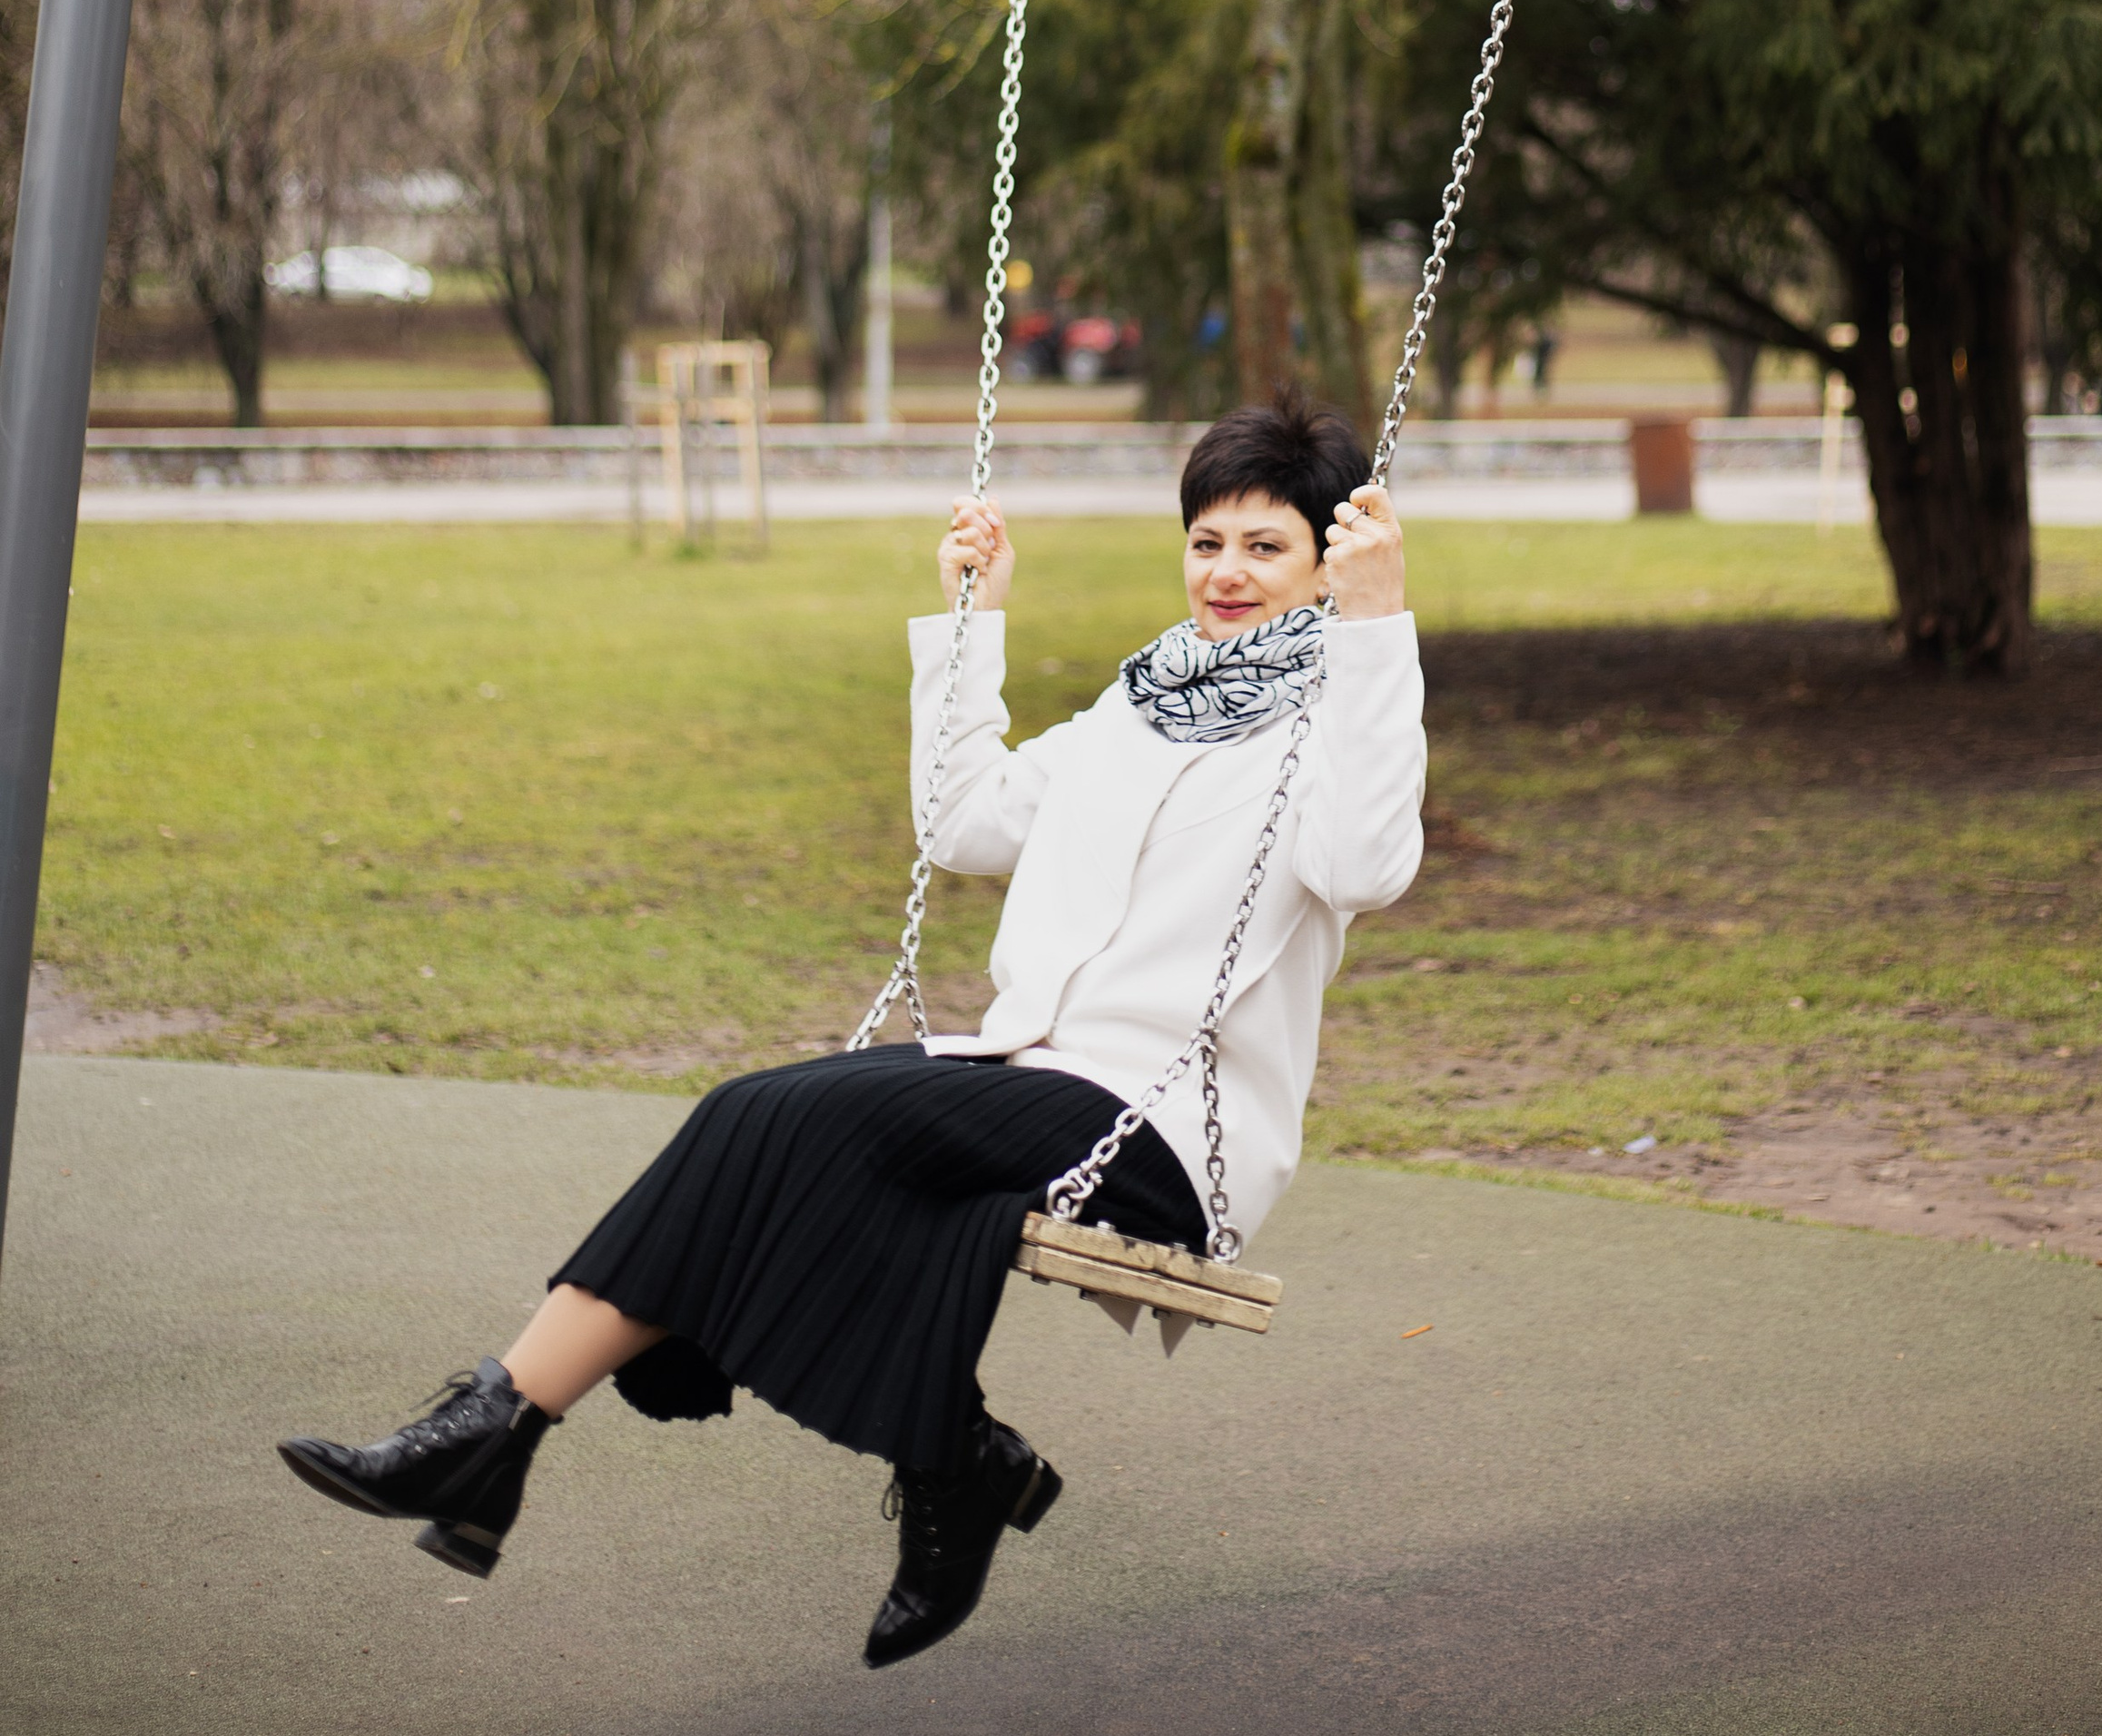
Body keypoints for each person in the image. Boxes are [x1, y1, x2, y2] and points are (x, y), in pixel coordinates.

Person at [277, 390, 1426, 1666]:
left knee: (763, 1119)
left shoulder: (1337, 725)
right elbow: (967, 823)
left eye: (1267, 547)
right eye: (1208, 541)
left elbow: (1372, 865)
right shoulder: (1140, 704)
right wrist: (971, 621)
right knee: (786, 1140)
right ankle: (901, 1461)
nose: (1227, 573)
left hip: (1155, 1126)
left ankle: (494, 1432)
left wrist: (1379, 630)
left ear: (1332, 558)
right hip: (1028, 1078)